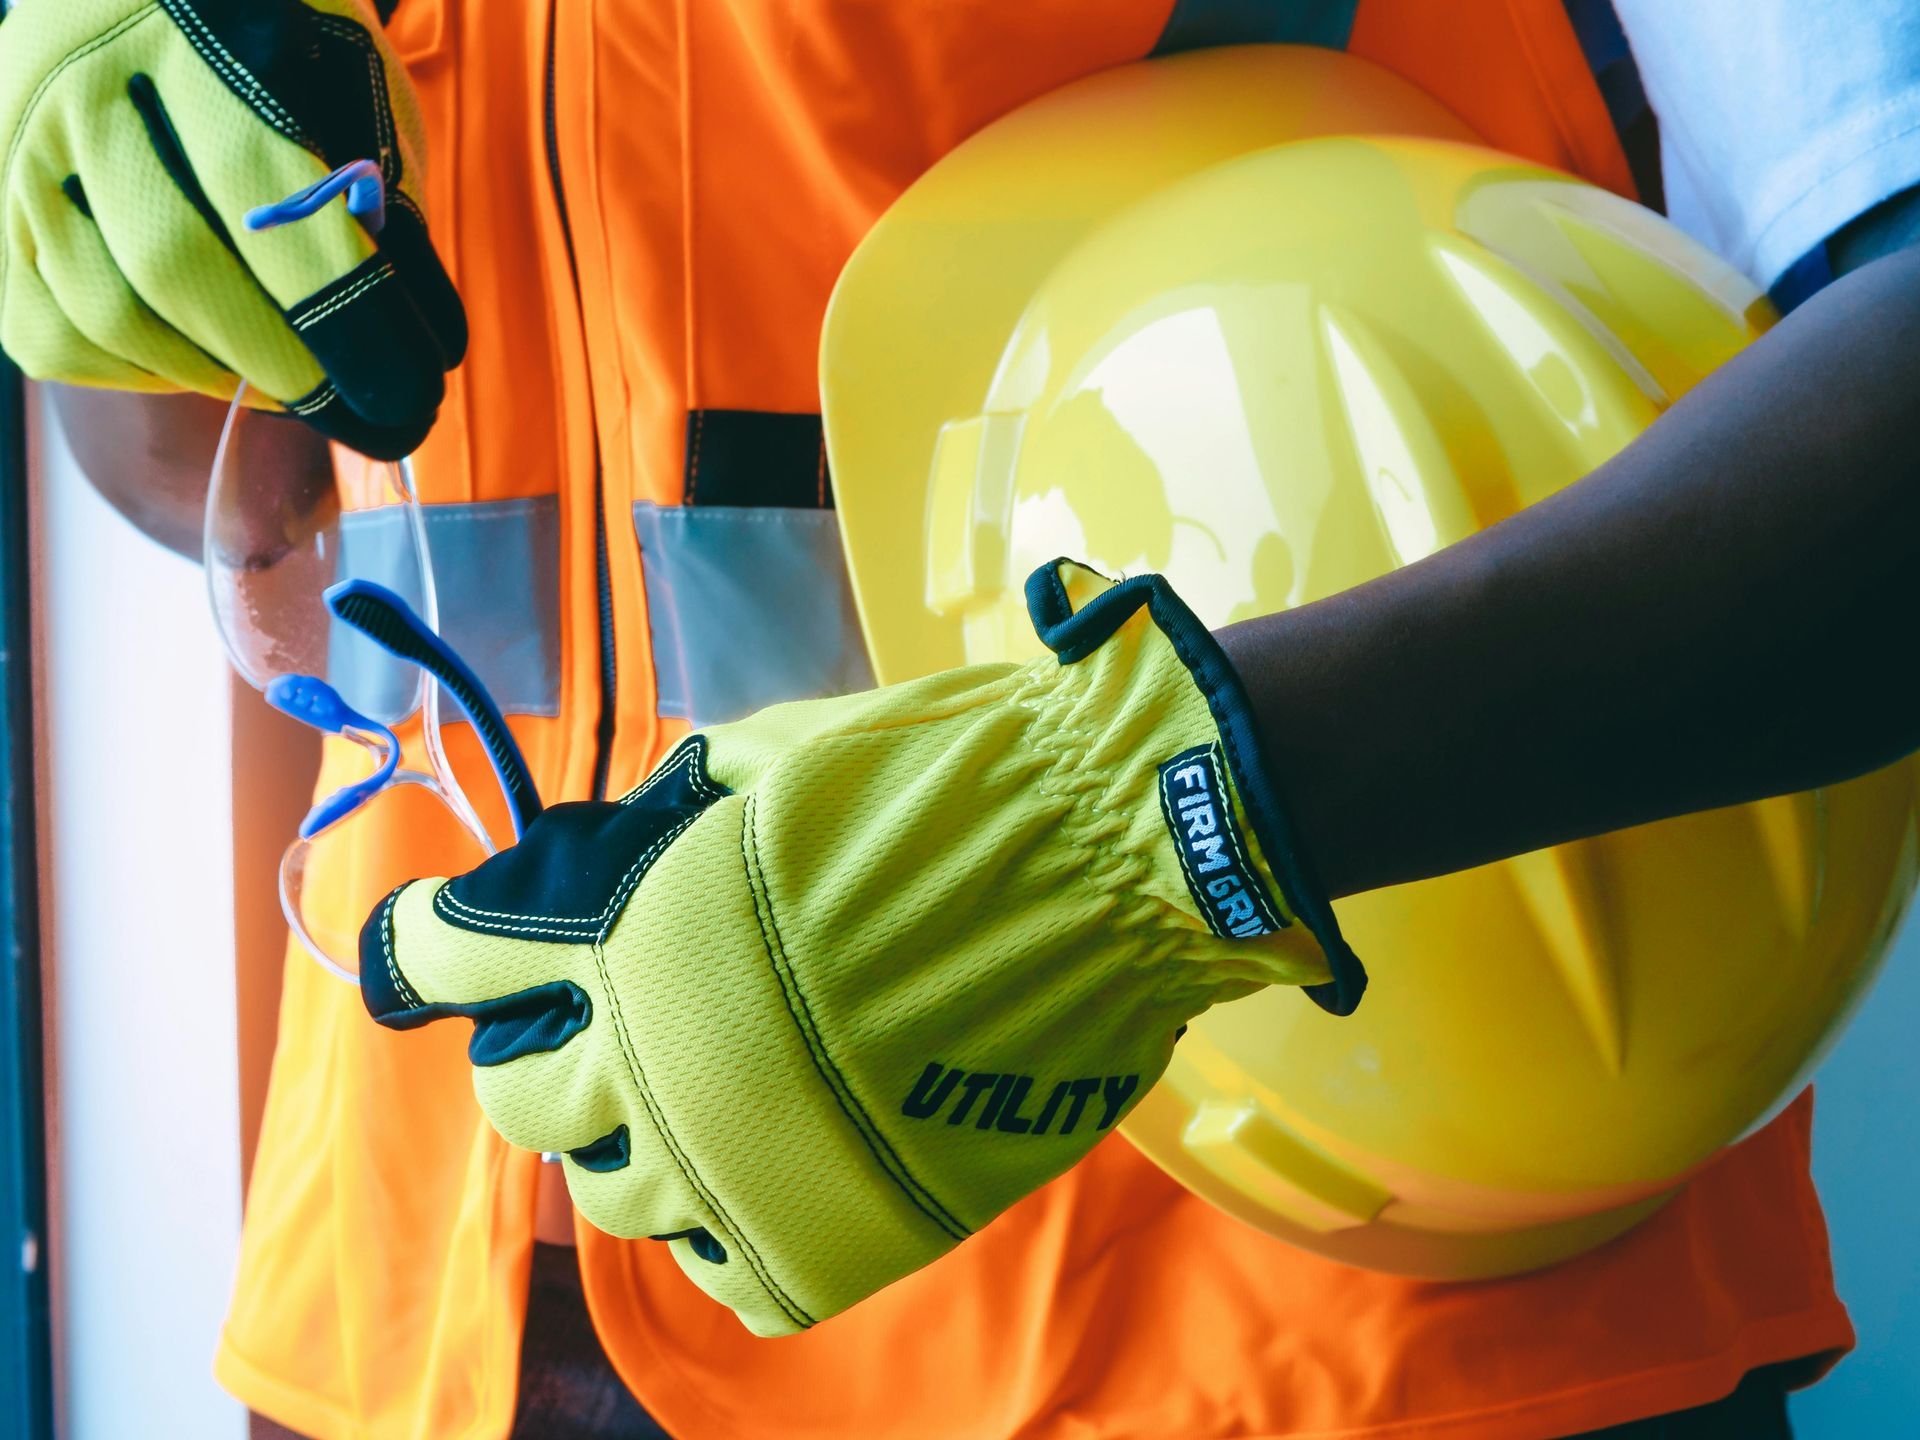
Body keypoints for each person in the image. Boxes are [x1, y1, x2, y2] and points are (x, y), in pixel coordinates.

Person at [5, 2, 1918, 1437]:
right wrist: (108, 198)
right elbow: (214, 468)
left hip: (1290, 1306)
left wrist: (1129, 838)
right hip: (431, 1314)